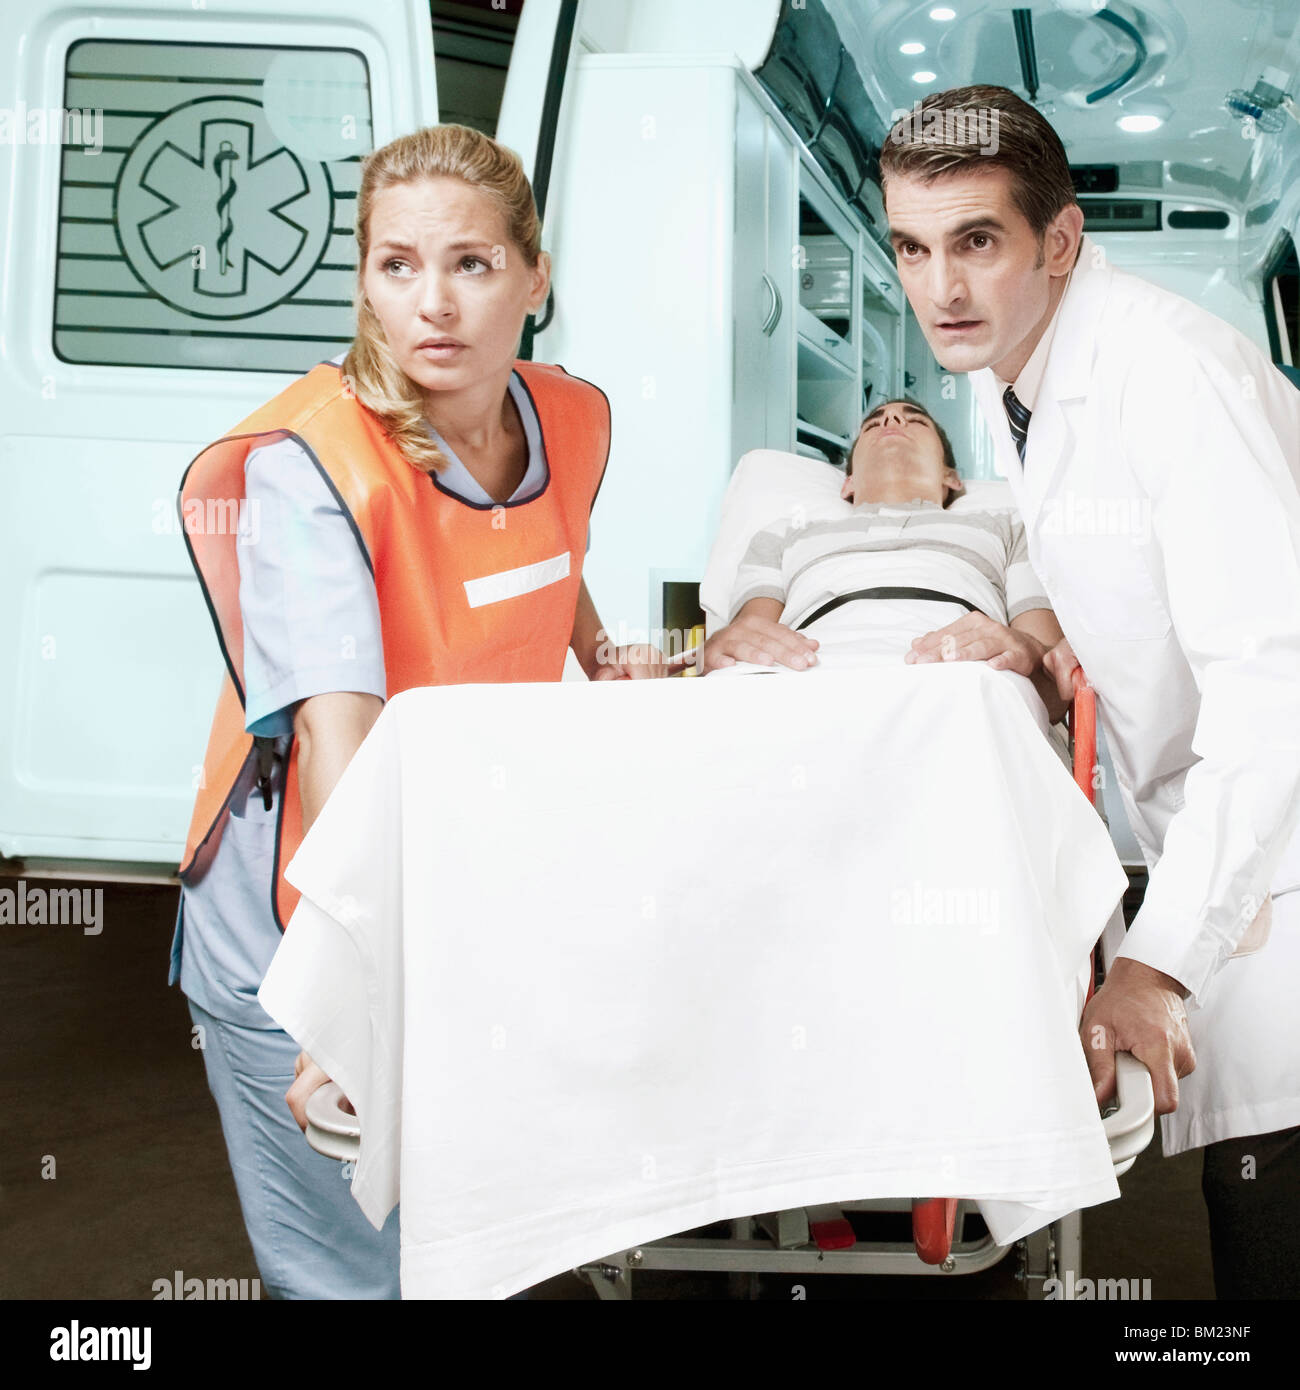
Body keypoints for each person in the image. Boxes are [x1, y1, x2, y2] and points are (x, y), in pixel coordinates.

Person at [171, 124, 664, 1299]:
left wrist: (605, 653)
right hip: (302, 904)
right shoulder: (315, 470)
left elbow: (539, 544)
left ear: (534, 278)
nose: (431, 304)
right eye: (396, 266)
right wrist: (346, 1002)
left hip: (446, 873)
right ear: (363, 282)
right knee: (356, 1272)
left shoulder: (570, 418)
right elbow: (342, 760)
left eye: (471, 265)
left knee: (458, 1243)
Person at [878, 84, 1300, 1297]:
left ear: (1057, 242)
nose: (939, 288)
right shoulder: (1004, 370)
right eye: (911, 246)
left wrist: (1156, 963)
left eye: (976, 243)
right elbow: (1114, 561)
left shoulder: (1169, 373)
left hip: (1274, 839)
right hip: (1223, 842)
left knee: (1267, 1199)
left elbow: (1275, 689)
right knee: (1242, 1185)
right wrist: (1040, 635)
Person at [703, 397, 1068, 724]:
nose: (891, 419)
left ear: (951, 478)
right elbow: (751, 639)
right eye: (874, 422)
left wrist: (1027, 652)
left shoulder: (1010, 528)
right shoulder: (783, 534)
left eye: (915, 420)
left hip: (959, 673)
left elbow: (1054, 686)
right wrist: (714, 650)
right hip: (803, 675)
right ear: (846, 485)